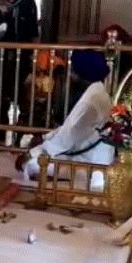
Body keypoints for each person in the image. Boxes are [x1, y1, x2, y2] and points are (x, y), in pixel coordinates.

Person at [15, 50, 114, 188]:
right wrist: (44, 138)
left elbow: (66, 140)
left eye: (73, 70)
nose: (71, 74)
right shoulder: (97, 91)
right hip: (85, 154)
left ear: (81, 73)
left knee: (30, 164)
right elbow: (68, 127)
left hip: (90, 163)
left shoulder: (90, 103)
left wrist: (32, 153)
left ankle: (57, 181)